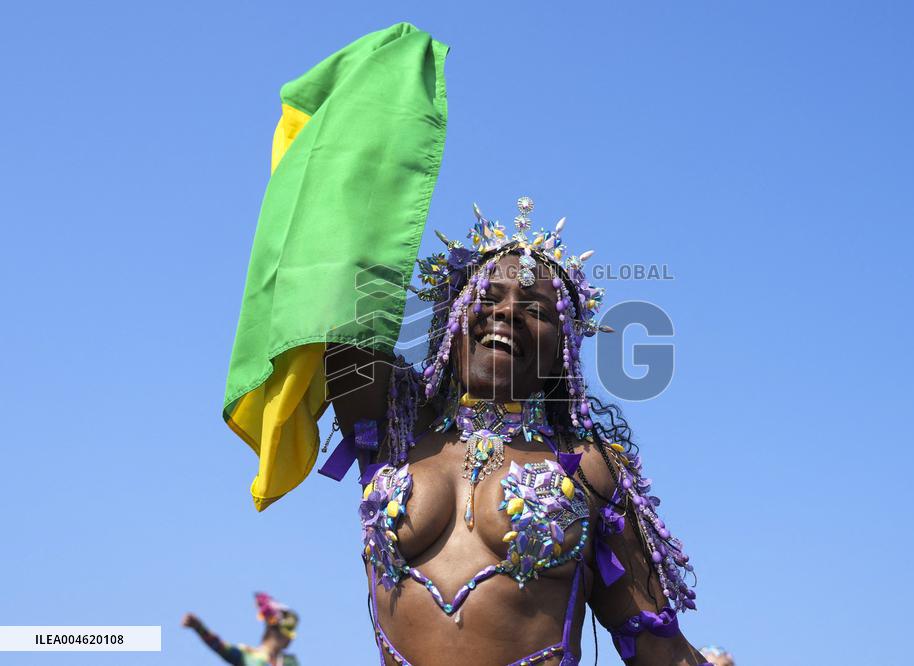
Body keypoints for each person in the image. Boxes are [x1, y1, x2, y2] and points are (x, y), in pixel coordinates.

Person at [222, 23, 711, 666]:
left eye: (534, 309)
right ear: (451, 324)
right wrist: (373, 115)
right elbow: (334, 291)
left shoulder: (590, 467)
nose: (504, 315)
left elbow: (655, 644)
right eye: (485, 301)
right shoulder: (392, 424)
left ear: (564, 345)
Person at [182, 593, 299, 666]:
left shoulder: (288, 662)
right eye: (289, 636)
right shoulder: (248, 656)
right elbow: (220, 647)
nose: (290, 641)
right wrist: (199, 627)